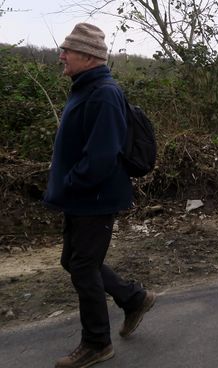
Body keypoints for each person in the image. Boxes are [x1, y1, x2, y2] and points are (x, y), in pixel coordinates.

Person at [44, 23, 156, 368]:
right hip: (79, 195)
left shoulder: (104, 93)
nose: (61, 55)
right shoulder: (84, 87)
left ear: (88, 56)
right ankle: (133, 299)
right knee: (73, 261)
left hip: (94, 196)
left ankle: (96, 343)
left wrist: (72, 182)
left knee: (82, 266)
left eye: (67, 50)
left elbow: (102, 155)